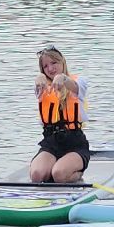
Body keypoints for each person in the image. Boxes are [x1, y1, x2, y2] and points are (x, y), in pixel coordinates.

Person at [29, 47, 91, 183]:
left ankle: (76, 174)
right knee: (37, 176)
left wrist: (63, 78)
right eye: (45, 66)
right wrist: (38, 78)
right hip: (51, 143)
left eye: (54, 63)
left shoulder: (79, 82)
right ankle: (52, 167)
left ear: (62, 62)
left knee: (59, 174)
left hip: (75, 144)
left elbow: (73, 86)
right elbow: (38, 85)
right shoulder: (43, 87)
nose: (50, 68)